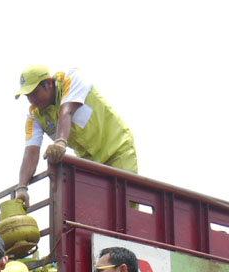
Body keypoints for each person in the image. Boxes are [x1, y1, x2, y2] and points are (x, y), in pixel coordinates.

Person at [14, 65, 138, 209]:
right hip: (90, 162)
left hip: (117, 148)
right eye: (27, 96)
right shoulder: (35, 116)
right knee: (97, 211)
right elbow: (31, 151)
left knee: (126, 206)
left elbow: (66, 111)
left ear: (48, 83)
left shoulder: (72, 80)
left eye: (34, 93)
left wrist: (60, 142)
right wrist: (22, 187)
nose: (31, 100)